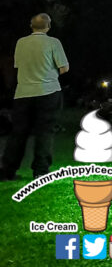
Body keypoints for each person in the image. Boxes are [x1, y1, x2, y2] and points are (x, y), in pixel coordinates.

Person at [0, 14, 69, 180]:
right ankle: (40, 170)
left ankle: (8, 169)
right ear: (48, 26)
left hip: (23, 92)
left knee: (18, 132)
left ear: (31, 25)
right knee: (44, 132)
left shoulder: (21, 43)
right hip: (48, 91)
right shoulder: (53, 43)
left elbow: (18, 65)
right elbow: (64, 68)